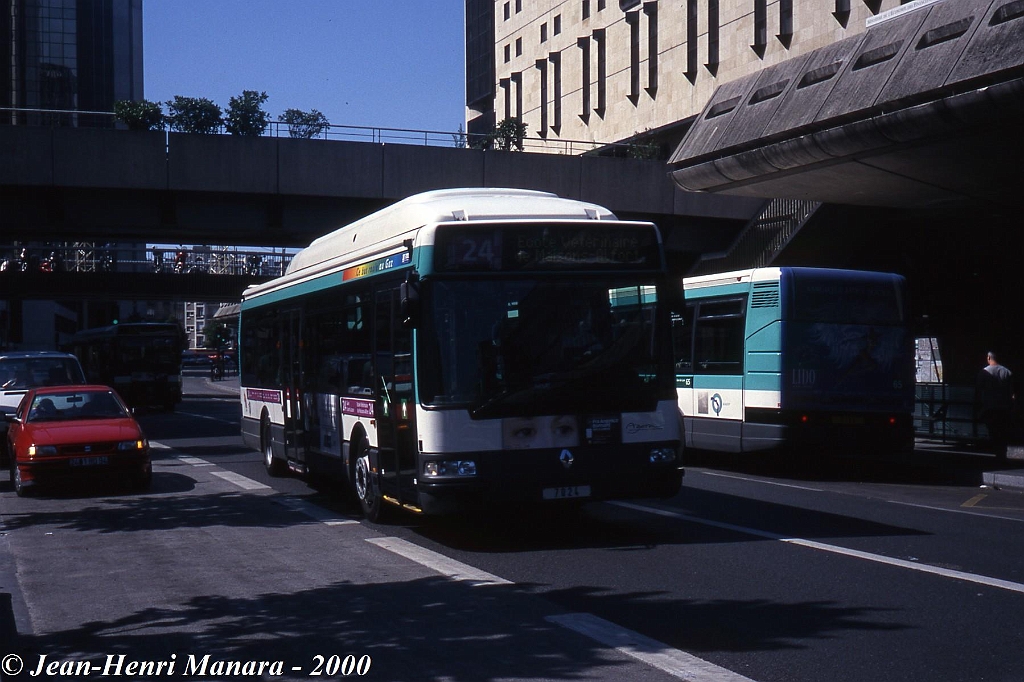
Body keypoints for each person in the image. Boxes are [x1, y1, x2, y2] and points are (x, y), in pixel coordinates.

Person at [976, 351, 1015, 459]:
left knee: (993, 430)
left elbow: (979, 390)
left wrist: (978, 407)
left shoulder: (984, 372)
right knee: (1003, 430)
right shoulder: (1007, 372)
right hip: (1004, 407)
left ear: (988, 357)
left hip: (990, 407)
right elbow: (1012, 393)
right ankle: (1002, 452)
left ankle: (997, 452)